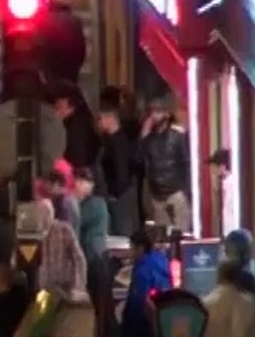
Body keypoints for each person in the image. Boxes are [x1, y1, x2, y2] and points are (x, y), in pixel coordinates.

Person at [139, 98, 191, 232]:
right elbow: (140, 157)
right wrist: (145, 131)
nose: (155, 116)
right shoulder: (150, 139)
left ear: (167, 114)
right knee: (162, 237)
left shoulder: (177, 136)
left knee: (180, 233)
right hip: (157, 196)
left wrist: (185, 191)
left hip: (176, 192)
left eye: (158, 112)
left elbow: (187, 162)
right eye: (152, 112)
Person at [75, 168, 112, 337]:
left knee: (99, 305)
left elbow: (78, 221)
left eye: (83, 182)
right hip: (86, 260)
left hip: (95, 260)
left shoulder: (96, 204)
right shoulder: (81, 204)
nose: (78, 186)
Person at [97, 103, 138, 237]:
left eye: (101, 119)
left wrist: (116, 193)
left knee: (123, 230)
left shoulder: (119, 142)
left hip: (121, 195)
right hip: (116, 193)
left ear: (110, 119)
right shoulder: (110, 140)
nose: (99, 123)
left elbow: (122, 169)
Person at [50, 83, 100, 174]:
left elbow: (77, 155)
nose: (56, 108)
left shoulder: (77, 126)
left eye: (59, 105)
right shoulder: (77, 119)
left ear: (71, 106)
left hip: (82, 177)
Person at [209, 149, 238, 236]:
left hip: (231, 229)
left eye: (214, 166)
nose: (212, 170)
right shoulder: (224, 183)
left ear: (222, 167)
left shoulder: (231, 184)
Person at [44, 169, 80, 235]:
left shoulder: (64, 202)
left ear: (56, 184)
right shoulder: (66, 198)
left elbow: (65, 227)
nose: (45, 187)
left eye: (47, 183)